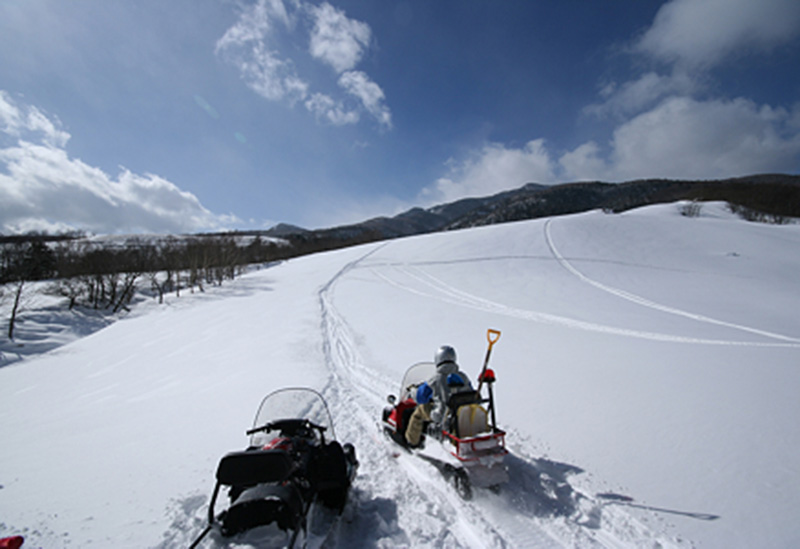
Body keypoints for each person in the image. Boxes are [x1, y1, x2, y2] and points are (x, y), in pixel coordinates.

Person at [404, 345, 473, 447]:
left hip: (442, 415)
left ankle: (412, 441)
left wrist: (413, 391)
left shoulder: (434, 379)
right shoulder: (463, 376)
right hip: (463, 413)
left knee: (418, 413)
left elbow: (421, 397)